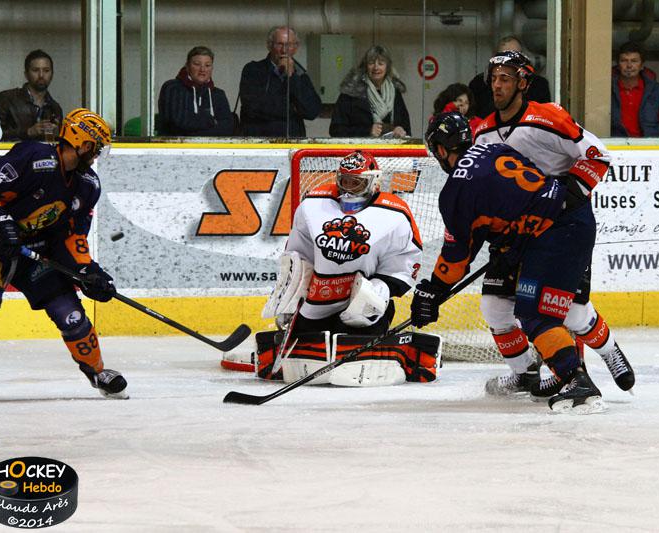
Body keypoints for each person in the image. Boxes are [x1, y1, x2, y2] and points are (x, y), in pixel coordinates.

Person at [411, 112, 604, 414]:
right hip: (567, 221)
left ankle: (577, 382)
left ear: (439, 149)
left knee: (538, 314)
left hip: (555, 232)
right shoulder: (493, 149)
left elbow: (457, 258)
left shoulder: (456, 192)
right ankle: (554, 376)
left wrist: (433, 290)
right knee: (532, 312)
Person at [473, 50, 634, 398]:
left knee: (569, 312)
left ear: (523, 83)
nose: (497, 85)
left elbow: (598, 155)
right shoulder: (483, 132)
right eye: (494, 78)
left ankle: (607, 353)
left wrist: (565, 196)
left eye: (506, 78)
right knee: (496, 304)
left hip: (563, 228)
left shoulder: (548, 117)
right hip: (519, 233)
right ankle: (525, 373)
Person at [0, 108, 127, 399]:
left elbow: (73, 235)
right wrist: (2, 221)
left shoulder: (87, 186)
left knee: (70, 314)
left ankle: (98, 372)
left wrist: (88, 271)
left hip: (32, 253)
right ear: (82, 143)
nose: (96, 156)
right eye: (95, 149)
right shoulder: (33, 157)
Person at [255, 151, 438, 386]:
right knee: (307, 345)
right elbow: (299, 255)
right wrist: (292, 297)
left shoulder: (395, 214)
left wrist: (382, 288)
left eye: (356, 183)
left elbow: (405, 260)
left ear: (373, 182)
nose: (349, 189)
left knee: (359, 331)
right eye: (345, 181)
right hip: (317, 303)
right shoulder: (313, 204)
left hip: (361, 307)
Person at [238, 26, 321, 137]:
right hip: (260, 140)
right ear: (270, 46)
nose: (284, 50)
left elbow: (312, 111)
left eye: (289, 45)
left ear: (296, 48)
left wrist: (291, 77)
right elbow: (253, 107)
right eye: (280, 44)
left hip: (293, 141)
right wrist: (293, 109)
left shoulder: (300, 75)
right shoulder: (253, 70)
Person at [329, 45, 411, 139]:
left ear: (387, 67)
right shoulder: (351, 92)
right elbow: (335, 130)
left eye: (381, 63)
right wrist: (367, 131)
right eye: (371, 63)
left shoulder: (395, 92)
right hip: (360, 147)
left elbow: (406, 128)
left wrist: (400, 130)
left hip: (390, 147)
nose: (376, 67)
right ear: (365, 66)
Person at [157, 46, 235, 136]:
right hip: (173, 145)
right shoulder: (172, 88)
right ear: (187, 66)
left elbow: (227, 129)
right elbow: (177, 125)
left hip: (211, 145)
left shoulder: (218, 94)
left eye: (207, 65)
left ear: (212, 68)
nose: (202, 69)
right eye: (197, 64)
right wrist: (211, 121)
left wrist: (193, 128)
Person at [469, 35, 551, 119]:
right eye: (503, 57)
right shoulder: (479, 84)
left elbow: (544, 115)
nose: (497, 85)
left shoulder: (538, 84)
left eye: (515, 56)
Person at [0, 49, 63, 142]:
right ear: (26, 74)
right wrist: (28, 132)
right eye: (35, 70)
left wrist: (57, 135)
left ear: (52, 74)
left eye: (46, 70)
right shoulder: (6, 99)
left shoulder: (55, 108)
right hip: (13, 151)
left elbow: (59, 144)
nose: (41, 75)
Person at [611, 41, 659, 137]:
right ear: (618, 65)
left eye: (634, 61)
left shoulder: (655, 91)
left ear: (642, 65)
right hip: (614, 144)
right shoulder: (608, 90)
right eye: (624, 60)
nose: (629, 65)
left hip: (648, 145)